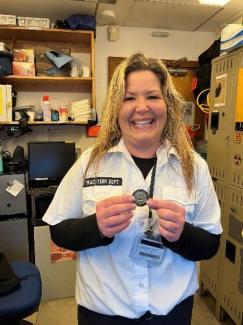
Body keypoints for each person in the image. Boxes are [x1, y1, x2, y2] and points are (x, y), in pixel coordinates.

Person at [43, 52, 222, 325]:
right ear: (116, 108)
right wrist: (96, 227)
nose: (142, 108)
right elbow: (58, 230)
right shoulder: (90, 163)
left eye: (152, 96)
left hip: (171, 315)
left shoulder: (194, 167)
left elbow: (210, 244)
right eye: (129, 98)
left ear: (168, 104)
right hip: (103, 315)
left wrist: (181, 234)